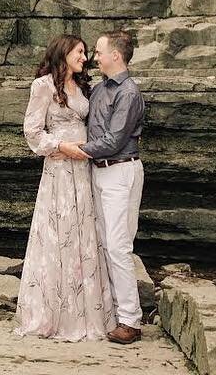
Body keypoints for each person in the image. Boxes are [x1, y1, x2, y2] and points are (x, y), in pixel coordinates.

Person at [13, 35, 115, 341]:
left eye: (86, 52)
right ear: (64, 53)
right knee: (58, 235)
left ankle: (86, 313)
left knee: (84, 234)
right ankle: (54, 315)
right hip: (59, 169)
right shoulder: (43, 86)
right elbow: (32, 131)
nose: (85, 58)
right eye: (80, 52)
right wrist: (60, 144)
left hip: (83, 170)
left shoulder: (84, 87)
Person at [67, 30, 146, 345]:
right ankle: (112, 313)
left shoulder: (128, 92)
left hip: (121, 171)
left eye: (98, 52)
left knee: (118, 246)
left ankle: (130, 320)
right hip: (98, 173)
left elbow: (114, 140)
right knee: (101, 243)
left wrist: (76, 150)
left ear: (116, 55)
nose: (94, 58)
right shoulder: (99, 89)